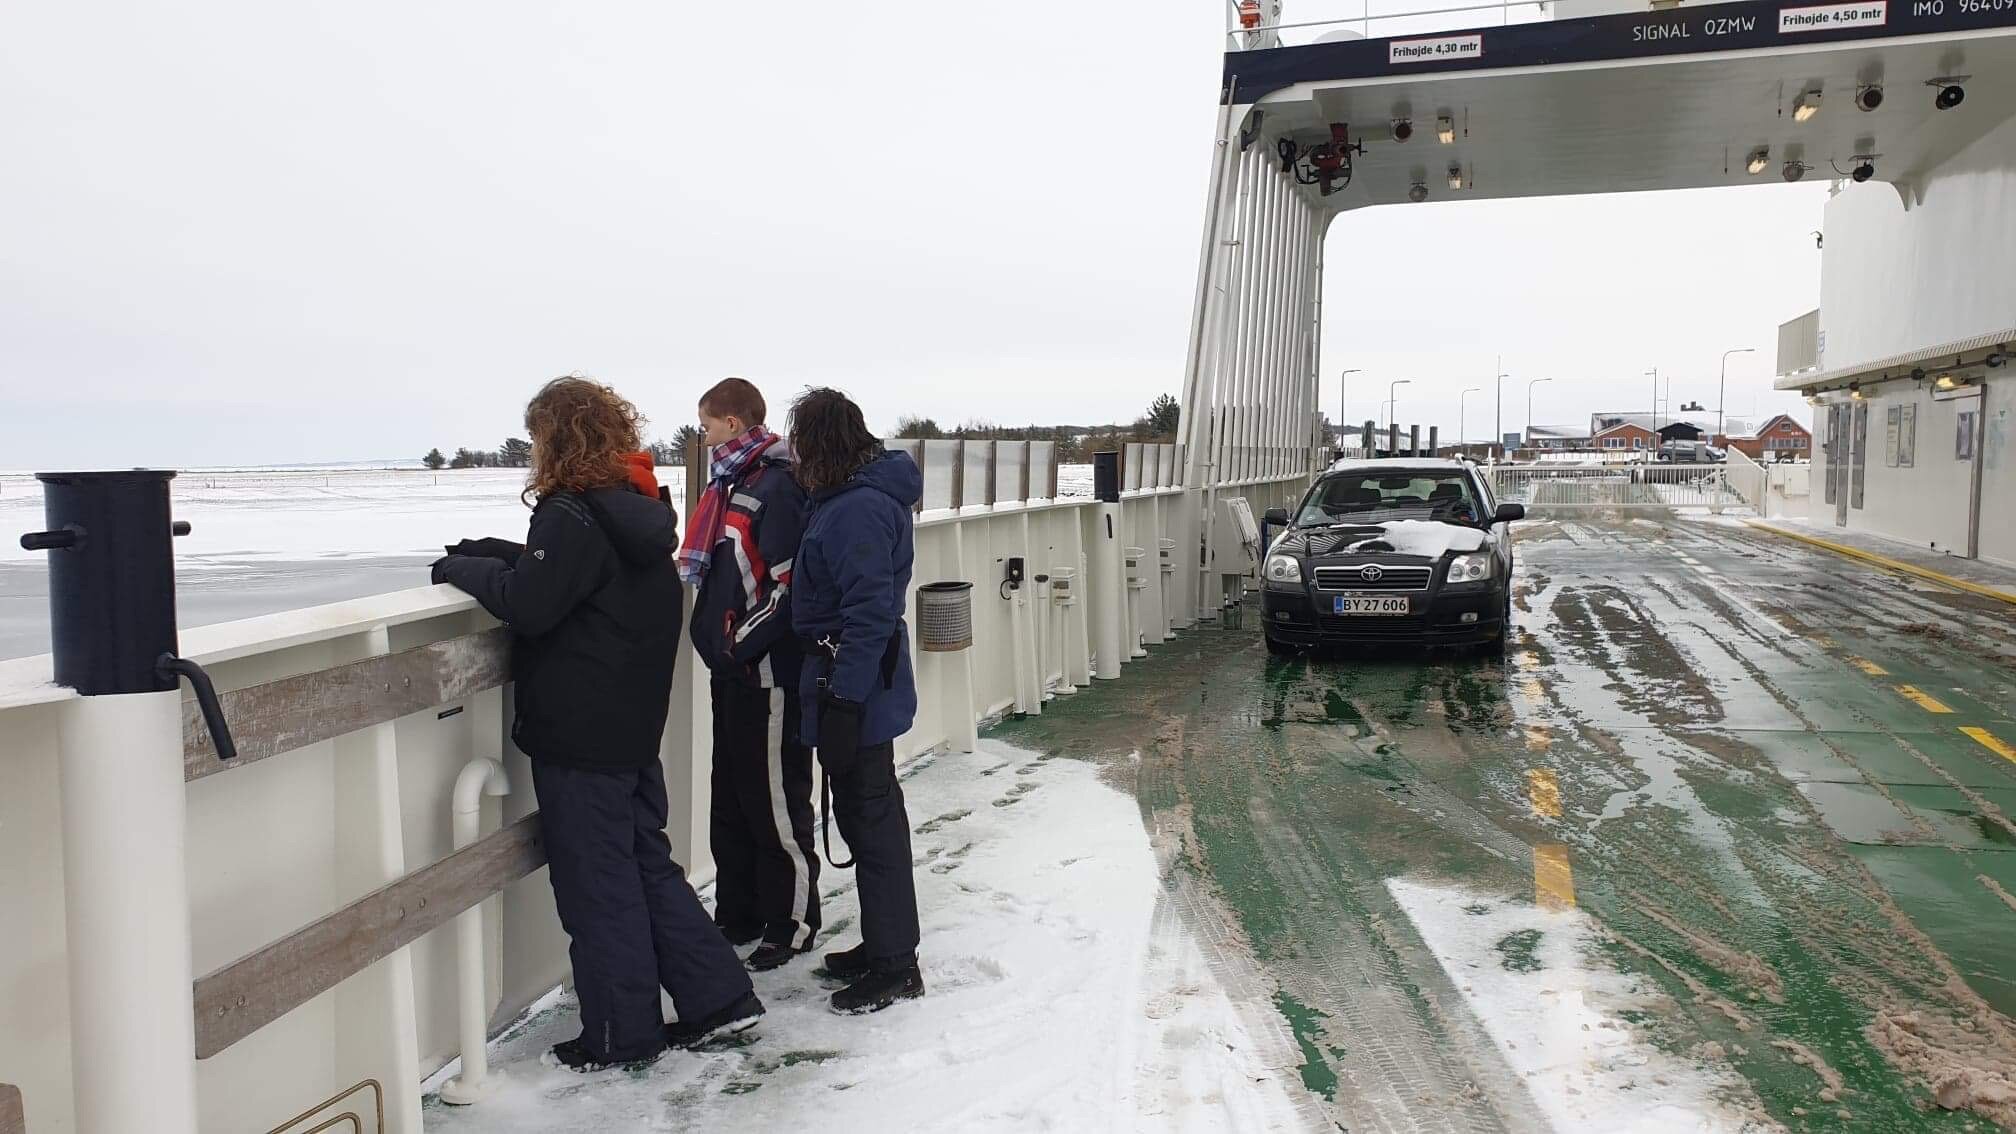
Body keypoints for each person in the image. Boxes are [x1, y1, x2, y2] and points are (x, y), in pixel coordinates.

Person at [431, 376, 763, 1071]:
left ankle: (620, 1034)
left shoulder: (569, 513)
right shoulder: (635, 503)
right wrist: (501, 550)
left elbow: (531, 606)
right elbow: (576, 580)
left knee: (597, 882)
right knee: (646, 867)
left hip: (580, 733)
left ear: (556, 437)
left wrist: (464, 569)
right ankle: (719, 996)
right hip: (631, 724)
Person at [786, 386, 926, 1015]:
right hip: (855, 680)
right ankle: (885, 946)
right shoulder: (850, 501)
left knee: (872, 822)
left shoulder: (857, 510)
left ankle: (896, 965)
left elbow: (870, 612)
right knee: (864, 814)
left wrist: (845, 699)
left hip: (857, 684)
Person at [679, 377, 819, 971]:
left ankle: (792, 923)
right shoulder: (733, 482)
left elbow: (789, 586)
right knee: (732, 799)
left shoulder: (776, 487)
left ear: (734, 424)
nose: (703, 434)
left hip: (764, 674)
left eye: (708, 424)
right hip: (732, 672)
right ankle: (737, 913)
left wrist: (738, 642)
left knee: (774, 802)